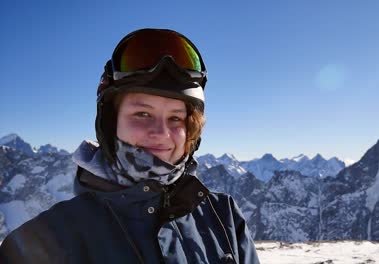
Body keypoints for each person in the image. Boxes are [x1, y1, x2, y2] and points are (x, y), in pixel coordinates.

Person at [0, 28, 260, 264]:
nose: (161, 133)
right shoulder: (40, 243)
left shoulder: (223, 217)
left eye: (175, 118)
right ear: (110, 122)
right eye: (142, 114)